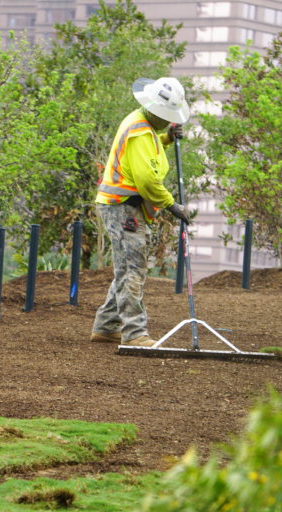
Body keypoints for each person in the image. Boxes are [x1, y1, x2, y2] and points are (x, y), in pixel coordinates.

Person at [90, 77, 192, 348]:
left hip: (125, 205)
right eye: (166, 117)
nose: (168, 120)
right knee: (133, 269)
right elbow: (147, 180)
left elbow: (149, 151)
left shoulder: (143, 125)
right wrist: (173, 206)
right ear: (156, 110)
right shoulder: (139, 131)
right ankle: (134, 332)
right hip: (122, 206)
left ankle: (106, 326)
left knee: (127, 267)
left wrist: (167, 138)